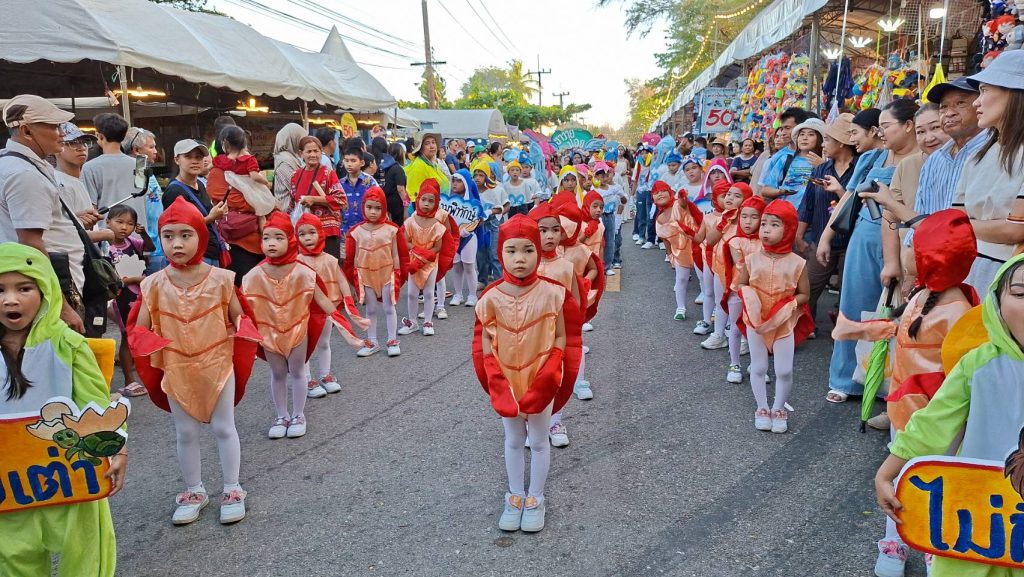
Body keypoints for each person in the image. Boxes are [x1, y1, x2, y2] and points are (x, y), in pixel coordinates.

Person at [830, 210, 977, 577]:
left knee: (935, 477)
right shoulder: (923, 295)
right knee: (901, 473)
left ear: (933, 257)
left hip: (937, 413)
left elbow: (961, 373)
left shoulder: (959, 311)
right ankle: (895, 541)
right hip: (903, 403)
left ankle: (932, 545)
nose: (905, 251)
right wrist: (860, 329)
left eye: (914, 246)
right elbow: (902, 331)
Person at [874, 251, 1024, 577]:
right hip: (977, 513)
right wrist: (887, 473)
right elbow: (933, 422)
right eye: (1020, 293)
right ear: (996, 303)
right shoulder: (978, 364)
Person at [0, 242, 125, 576]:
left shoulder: (67, 344)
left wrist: (117, 449)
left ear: (45, 291)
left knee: (86, 553)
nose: (10, 299)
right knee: (11, 558)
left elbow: (96, 404)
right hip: (7, 480)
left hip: (70, 470)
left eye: (24, 288)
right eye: (0, 290)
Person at [128, 197, 254, 525]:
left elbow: (239, 317)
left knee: (224, 427)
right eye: (168, 236)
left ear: (201, 234)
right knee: (185, 432)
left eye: (186, 235)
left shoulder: (222, 278)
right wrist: (150, 344)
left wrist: (249, 330)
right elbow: (140, 328)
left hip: (217, 364)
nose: (177, 244)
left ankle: (232, 488)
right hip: (176, 368)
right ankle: (194, 491)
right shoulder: (152, 284)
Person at [472, 214, 583, 533]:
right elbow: (486, 341)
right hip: (507, 380)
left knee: (538, 439)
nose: (519, 258)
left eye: (527, 250)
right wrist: (496, 378)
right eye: (511, 250)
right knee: (513, 439)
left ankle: (535, 497)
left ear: (538, 250)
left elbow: (562, 336)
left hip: (542, 378)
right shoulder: (491, 296)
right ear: (500, 253)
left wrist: (551, 370)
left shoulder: (552, 293)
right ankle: (515, 496)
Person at [819, 101, 920, 403]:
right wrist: (826, 237)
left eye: (885, 126)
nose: (880, 132)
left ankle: (884, 382)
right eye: (879, 127)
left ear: (908, 126)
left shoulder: (924, 159)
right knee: (854, 306)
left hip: (904, 240)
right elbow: (848, 198)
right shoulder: (872, 157)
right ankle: (845, 379)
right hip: (864, 236)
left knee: (895, 312)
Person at [242, 212, 341, 439]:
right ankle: (281, 415)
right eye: (266, 238)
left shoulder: (303, 272)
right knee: (277, 373)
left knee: (297, 372)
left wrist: (346, 322)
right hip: (269, 333)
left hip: (298, 330)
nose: (271, 243)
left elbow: (322, 300)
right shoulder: (253, 276)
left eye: (278, 238)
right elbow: (241, 308)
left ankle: (298, 414)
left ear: (290, 240)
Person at [0, 94, 85, 332]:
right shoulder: (24, 174)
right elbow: (32, 243)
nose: (61, 133)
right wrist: (62, 306)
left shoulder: (14, 165)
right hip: (41, 293)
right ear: (27, 131)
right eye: (54, 126)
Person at [735, 200, 812, 433]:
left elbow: (805, 294)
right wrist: (749, 297)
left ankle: (778, 408)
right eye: (764, 224)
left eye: (775, 225)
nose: (766, 230)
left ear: (789, 229)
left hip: (783, 323)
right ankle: (762, 407)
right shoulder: (751, 259)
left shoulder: (798, 263)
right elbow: (740, 284)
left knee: (784, 370)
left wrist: (790, 305)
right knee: (758, 367)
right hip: (756, 321)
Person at [952, 51, 1024, 291]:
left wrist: (965, 226)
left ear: (1014, 92)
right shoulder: (977, 156)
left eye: (984, 90)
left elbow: (1016, 229)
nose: (976, 102)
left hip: (1010, 279)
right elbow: (957, 216)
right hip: (969, 268)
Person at [879, 104, 950, 297]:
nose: (929, 137)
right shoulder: (908, 165)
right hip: (911, 261)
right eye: (921, 132)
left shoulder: (965, 163)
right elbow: (890, 216)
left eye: (935, 128)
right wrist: (891, 263)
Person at [529, 202, 584, 448]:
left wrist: (570, 332)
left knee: (557, 378)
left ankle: (555, 421)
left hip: (557, 334)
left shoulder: (566, 266)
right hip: (529, 334)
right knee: (531, 378)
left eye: (554, 230)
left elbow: (575, 303)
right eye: (542, 230)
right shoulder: (525, 265)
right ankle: (532, 423)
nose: (549, 236)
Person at [296, 212, 367, 399]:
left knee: (324, 342)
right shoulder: (296, 262)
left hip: (327, 309)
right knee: (304, 345)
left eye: (312, 232)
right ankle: (307, 380)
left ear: (320, 233)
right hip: (304, 311)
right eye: (302, 234)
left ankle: (325, 375)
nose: (307, 237)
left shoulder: (329, 259)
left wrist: (348, 299)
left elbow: (341, 280)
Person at [796, 113, 857, 323]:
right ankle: (803, 327)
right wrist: (799, 235)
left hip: (851, 243)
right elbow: (808, 204)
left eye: (828, 139)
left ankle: (843, 333)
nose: (823, 144)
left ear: (841, 143)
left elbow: (861, 206)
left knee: (849, 294)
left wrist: (840, 191)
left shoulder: (861, 168)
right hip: (821, 241)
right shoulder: (821, 169)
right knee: (808, 288)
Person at [52, 123, 112, 309]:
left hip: (86, 264)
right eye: (72, 143)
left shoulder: (77, 180)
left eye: (84, 142)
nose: (81, 148)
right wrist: (107, 234)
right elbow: (65, 233)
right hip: (73, 268)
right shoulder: (59, 183)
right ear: (58, 146)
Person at [344, 187, 406, 358]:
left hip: (387, 273)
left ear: (384, 208)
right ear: (363, 206)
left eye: (378, 208)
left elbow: (396, 254)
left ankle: (392, 340)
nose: (373, 212)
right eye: (369, 207)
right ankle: (372, 341)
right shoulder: (356, 231)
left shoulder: (391, 229)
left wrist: (397, 273)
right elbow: (354, 257)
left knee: (389, 307)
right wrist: (356, 278)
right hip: (366, 276)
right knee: (370, 309)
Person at [208, 126, 269, 286]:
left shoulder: (219, 169)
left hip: (252, 239)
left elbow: (227, 199)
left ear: (224, 144)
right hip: (241, 241)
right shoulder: (248, 164)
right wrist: (258, 206)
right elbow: (261, 197)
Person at [702, 181, 753, 351]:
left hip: (740, 272)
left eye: (737, 196)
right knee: (720, 302)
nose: (730, 198)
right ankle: (719, 334)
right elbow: (710, 241)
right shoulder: (722, 218)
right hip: (720, 267)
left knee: (742, 306)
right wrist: (724, 221)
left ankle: (744, 339)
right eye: (729, 194)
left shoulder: (748, 221)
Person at [162, 140, 228, 267]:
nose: (195, 161)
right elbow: (175, 230)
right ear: (177, 160)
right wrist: (211, 217)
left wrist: (218, 213)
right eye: (188, 157)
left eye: (198, 157)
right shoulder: (175, 191)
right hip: (193, 257)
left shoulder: (200, 185)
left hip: (211, 251)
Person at [723, 196, 767, 383]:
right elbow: (741, 265)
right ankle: (734, 364)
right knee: (735, 327)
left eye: (754, 217)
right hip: (738, 290)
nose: (748, 221)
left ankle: (757, 365)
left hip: (761, 291)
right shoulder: (735, 241)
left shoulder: (766, 242)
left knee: (759, 328)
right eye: (744, 216)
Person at [105, 205, 146, 397]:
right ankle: (129, 380)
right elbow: (110, 278)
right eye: (119, 222)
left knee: (140, 333)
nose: (124, 227)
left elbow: (150, 248)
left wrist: (143, 234)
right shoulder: (106, 248)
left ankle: (140, 373)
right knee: (127, 336)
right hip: (120, 298)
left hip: (138, 295)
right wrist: (135, 279)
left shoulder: (132, 242)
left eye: (130, 224)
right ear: (108, 222)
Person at [398, 179, 448, 337]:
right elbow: (405, 241)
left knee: (428, 293)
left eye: (431, 201)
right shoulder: (410, 221)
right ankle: (412, 322)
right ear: (418, 199)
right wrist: (417, 251)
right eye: (424, 199)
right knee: (412, 293)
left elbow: (438, 246)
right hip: (414, 262)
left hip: (430, 263)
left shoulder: (437, 225)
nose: (426, 204)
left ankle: (427, 321)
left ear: (436, 203)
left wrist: (427, 255)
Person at [82, 113, 147, 221]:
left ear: (100, 136)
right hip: (137, 227)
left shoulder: (90, 167)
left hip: (107, 229)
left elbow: (90, 207)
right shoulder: (140, 164)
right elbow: (143, 199)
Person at [652, 180, 701, 321]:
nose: (660, 194)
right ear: (653, 198)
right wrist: (670, 255)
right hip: (679, 251)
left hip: (697, 245)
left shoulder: (678, 205)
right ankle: (680, 308)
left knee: (704, 279)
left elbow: (684, 202)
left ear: (670, 193)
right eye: (656, 192)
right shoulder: (659, 219)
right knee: (681, 279)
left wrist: (683, 196)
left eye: (663, 191)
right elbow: (666, 240)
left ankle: (713, 308)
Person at [290, 136, 347, 259]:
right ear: (301, 153)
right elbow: (292, 204)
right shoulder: (295, 175)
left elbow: (341, 199)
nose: (313, 155)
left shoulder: (328, 174)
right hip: (305, 233)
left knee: (328, 267)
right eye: (309, 151)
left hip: (327, 232)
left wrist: (314, 199)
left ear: (321, 152)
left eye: (316, 151)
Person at [693, 167, 731, 337]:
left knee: (726, 294)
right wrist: (687, 231)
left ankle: (728, 323)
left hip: (727, 261)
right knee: (708, 292)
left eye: (731, 195)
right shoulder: (708, 217)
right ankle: (707, 320)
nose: (728, 199)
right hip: (708, 258)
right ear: (715, 197)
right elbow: (699, 238)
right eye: (724, 196)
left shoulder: (736, 217)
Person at [122, 127, 166, 273]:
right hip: (148, 247)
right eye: (151, 147)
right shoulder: (139, 169)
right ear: (136, 150)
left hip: (158, 245)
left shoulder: (145, 171)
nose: (155, 151)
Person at [757, 107, 815, 199]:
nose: (783, 133)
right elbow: (764, 190)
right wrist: (781, 191)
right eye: (782, 128)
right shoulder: (780, 157)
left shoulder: (819, 156)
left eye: (787, 128)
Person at [448, 169, 487, 307]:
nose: (455, 184)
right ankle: (458, 294)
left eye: (459, 181)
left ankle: (472, 295)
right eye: (453, 180)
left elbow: (481, 219)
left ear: (466, 183)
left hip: (469, 238)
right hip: (453, 239)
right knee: (457, 267)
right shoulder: (448, 202)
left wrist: (469, 229)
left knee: (469, 266)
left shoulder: (474, 202)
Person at [475, 159, 508, 287]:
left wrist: (493, 212)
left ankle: (499, 281)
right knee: (480, 254)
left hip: (493, 225)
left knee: (494, 253)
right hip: (478, 226)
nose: (477, 178)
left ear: (487, 176)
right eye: (475, 175)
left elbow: (505, 206)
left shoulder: (496, 190)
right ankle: (482, 280)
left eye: (481, 175)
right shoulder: (472, 192)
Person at [339, 146, 379, 236]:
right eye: (346, 160)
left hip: (367, 229)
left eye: (353, 161)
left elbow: (379, 203)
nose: (349, 164)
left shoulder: (370, 182)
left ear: (362, 163)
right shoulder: (340, 184)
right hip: (345, 231)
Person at [405, 132, 450, 205]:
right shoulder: (418, 167)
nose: (432, 146)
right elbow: (415, 199)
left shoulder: (434, 164)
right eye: (427, 143)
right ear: (420, 148)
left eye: (433, 142)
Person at [272, 123, 306, 211]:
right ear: (293, 139)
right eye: (302, 139)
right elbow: (298, 186)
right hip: (289, 212)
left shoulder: (292, 157)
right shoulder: (285, 161)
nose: (304, 144)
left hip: (295, 209)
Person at [381, 142, 408, 224]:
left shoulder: (385, 167)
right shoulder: (398, 169)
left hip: (387, 201)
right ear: (399, 154)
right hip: (397, 204)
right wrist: (406, 205)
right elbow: (401, 189)